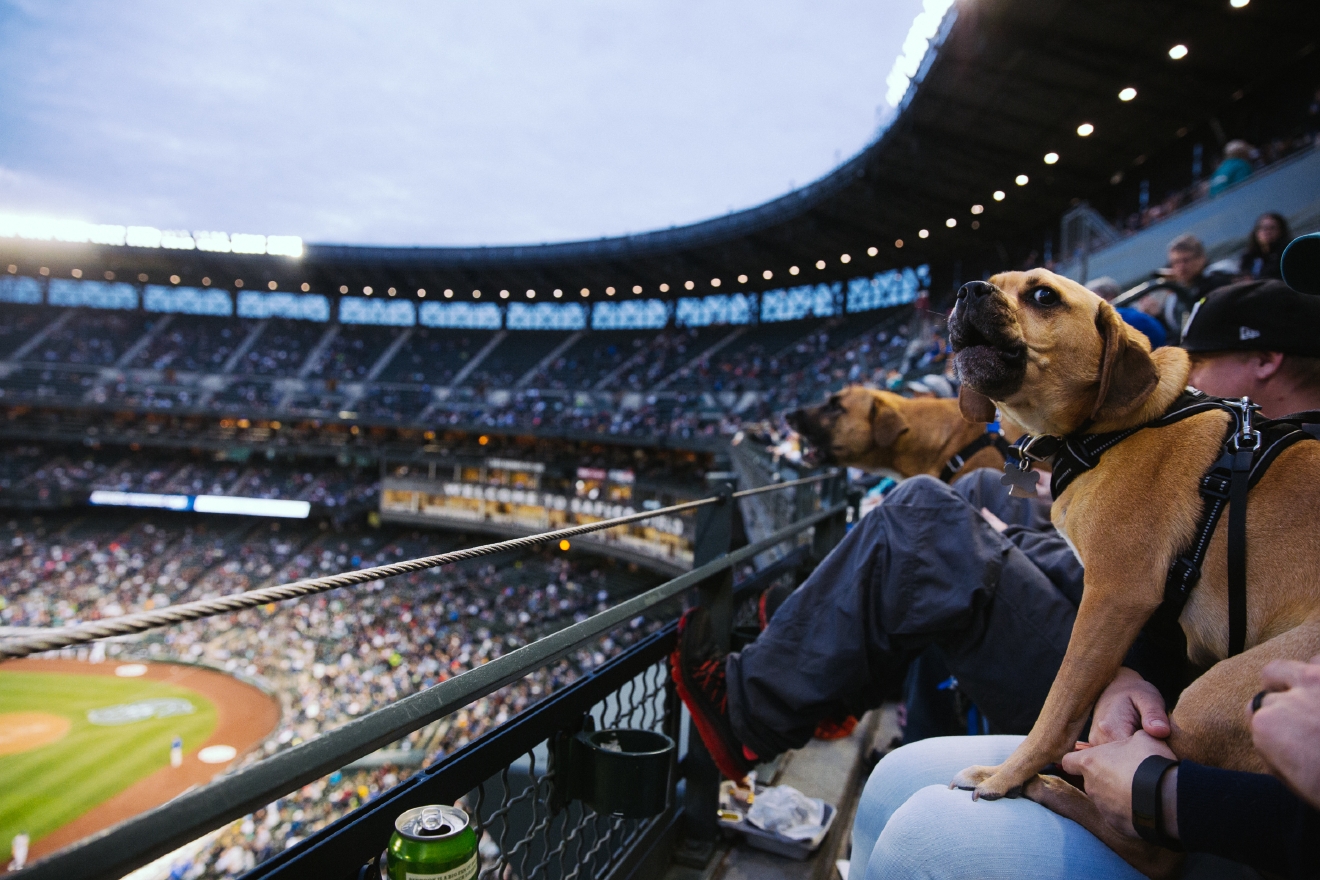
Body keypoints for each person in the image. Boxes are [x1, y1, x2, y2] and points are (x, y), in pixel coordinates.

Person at [671, 270, 1320, 874]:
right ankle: (814, 664)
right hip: (1153, 638)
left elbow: (1072, 516)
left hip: (1173, 711)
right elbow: (1077, 515)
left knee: (934, 524)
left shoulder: (1180, 418)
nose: (1184, 371)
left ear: (1266, 361)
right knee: (974, 497)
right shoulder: (1209, 444)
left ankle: (763, 699)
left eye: (1200, 360)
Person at [1239, 212, 1291, 280]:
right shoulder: (1249, 256)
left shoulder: (1287, 252)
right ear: (1256, 232)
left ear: (1280, 231)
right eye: (1263, 228)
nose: (1267, 231)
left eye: (1272, 228)